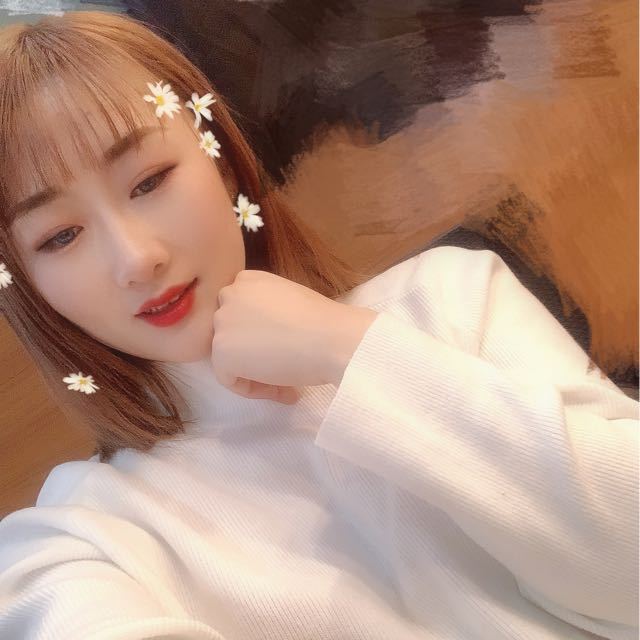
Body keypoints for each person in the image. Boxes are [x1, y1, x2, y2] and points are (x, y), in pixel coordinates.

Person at [0, 10, 637, 640]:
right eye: (60, 236)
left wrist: (350, 349)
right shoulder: (82, 538)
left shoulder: (451, 301)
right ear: (29, 289)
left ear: (221, 162)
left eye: (149, 181)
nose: (137, 258)